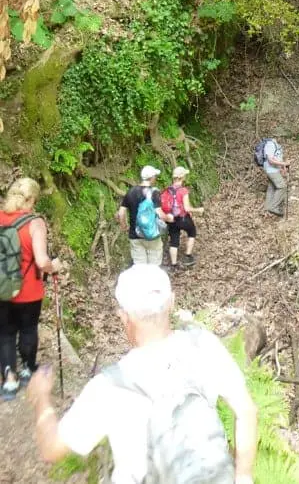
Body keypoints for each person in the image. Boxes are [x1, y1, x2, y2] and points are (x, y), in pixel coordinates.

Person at [28, 265, 258, 484]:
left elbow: (52, 449)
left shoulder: (108, 387)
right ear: (171, 302)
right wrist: (243, 476)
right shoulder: (204, 345)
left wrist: (41, 399)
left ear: (123, 316)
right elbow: (246, 410)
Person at [0, 178, 61, 400]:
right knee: (27, 330)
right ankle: (27, 369)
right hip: (29, 290)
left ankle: (9, 381)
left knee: (5, 334)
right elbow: (42, 260)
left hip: (3, 289)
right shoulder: (35, 223)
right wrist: (54, 266)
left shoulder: (0, 217)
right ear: (32, 199)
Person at [118, 165, 167, 266]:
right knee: (154, 267)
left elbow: (121, 212)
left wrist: (123, 225)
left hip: (135, 235)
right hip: (152, 235)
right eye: (155, 176)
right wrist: (169, 218)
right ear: (152, 177)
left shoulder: (131, 192)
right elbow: (159, 213)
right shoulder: (154, 192)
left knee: (140, 268)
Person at [161, 166, 203, 272]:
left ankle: (174, 265)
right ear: (182, 177)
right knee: (192, 232)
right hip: (183, 218)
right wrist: (198, 210)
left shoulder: (168, 190)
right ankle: (188, 256)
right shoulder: (183, 191)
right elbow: (187, 208)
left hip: (171, 219)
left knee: (174, 241)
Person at [263, 138, 289, 217]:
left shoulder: (276, 145)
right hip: (271, 170)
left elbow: (276, 158)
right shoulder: (270, 144)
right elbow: (270, 160)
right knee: (282, 187)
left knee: (271, 188)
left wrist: (282, 167)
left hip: (273, 170)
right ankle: (273, 207)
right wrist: (284, 163)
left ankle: (267, 210)